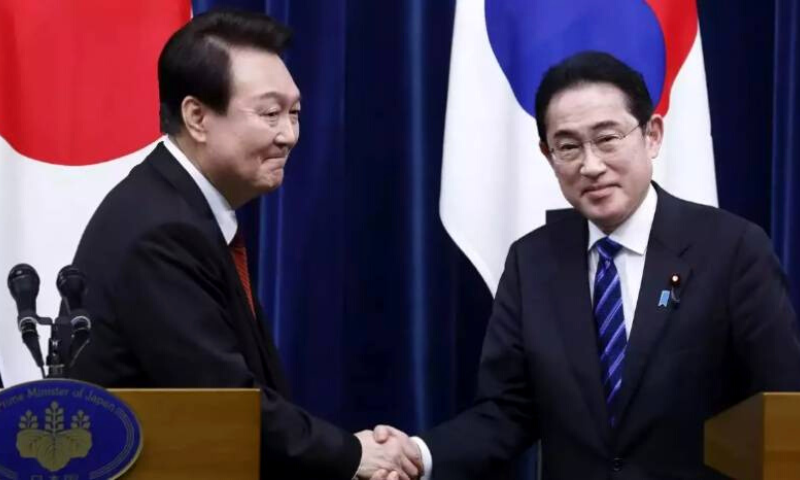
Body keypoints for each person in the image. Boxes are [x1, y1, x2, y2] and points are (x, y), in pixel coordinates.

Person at [372, 51, 800, 479]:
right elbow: (507, 411)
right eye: (568, 147)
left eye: (607, 139)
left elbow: (780, 408)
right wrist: (418, 455)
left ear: (652, 135)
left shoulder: (732, 250)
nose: (591, 165)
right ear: (548, 155)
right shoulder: (532, 262)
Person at [69, 10, 421, 480]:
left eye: (295, 113)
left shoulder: (182, 208)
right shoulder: (160, 230)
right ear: (197, 117)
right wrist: (352, 455)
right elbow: (222, 403)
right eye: (271, 114)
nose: (289, 135)